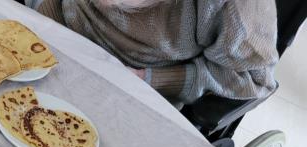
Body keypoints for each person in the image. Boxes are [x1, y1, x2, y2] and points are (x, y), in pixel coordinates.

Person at [33, 0, 278, 107]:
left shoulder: (235, 8)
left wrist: (146, 79)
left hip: (135, 94)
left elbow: (256, 80)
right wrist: (44, 30)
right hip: (55, 46)